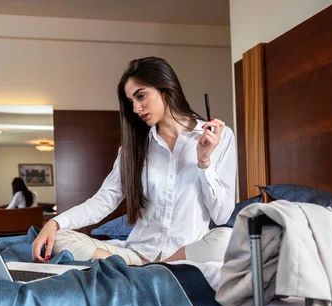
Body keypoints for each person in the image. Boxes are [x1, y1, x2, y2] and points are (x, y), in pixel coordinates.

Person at [32, 56, 236, 264]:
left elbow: (221, 216)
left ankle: (151, 269)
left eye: (141, 96)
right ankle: (145, 269)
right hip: (137, 254)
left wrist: (204, 163)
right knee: (59, 238)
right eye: (131, 101)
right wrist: (55, 223)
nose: (136, 109)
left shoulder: (220, 137)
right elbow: (104, 200)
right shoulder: (133, 149)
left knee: (227, 238)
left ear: (164, 87)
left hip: (185, 255)